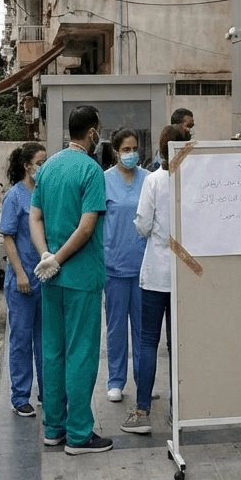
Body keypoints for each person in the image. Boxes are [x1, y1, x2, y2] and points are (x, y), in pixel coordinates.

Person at [28, 105, 111, 455]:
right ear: (91, 133)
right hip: (80, 278)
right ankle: (78, 434)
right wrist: (58, 260)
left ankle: (53, 428)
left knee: (53, 351)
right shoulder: (91, 170)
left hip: (51, 279)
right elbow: (87, 227)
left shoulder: (48, 168)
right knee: (80, 353)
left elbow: (35, 217)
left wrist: (45, 256)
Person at [121, 124, 190, 435]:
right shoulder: (193, 178)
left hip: (155, 274)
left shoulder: (153, 180)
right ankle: (179, 410)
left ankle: (142, 411)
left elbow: (143, 226)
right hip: (184, 274)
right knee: (179, 343)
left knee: (148, 341)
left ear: (161, 150)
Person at [0, 141, 48, 417]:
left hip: (43, 277)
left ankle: (46, 391)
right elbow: (8, 237)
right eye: (40, 163)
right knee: (21, 339)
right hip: (22, 280)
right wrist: (19, 273)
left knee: (45, 339)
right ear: (27, 166)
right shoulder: (14, 197)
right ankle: (20, 396)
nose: (43, 167)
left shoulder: (43, 194)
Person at [103, 129, 149, 402]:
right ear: (116, 152)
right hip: (115, 266)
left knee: (144, 329)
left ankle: (144, 380)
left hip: (144, 265)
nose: (131, 154)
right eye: (126, 149)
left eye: (134, 149)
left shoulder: (148, 179)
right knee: (116, 328)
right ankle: (116, 380)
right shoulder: (104, 180)